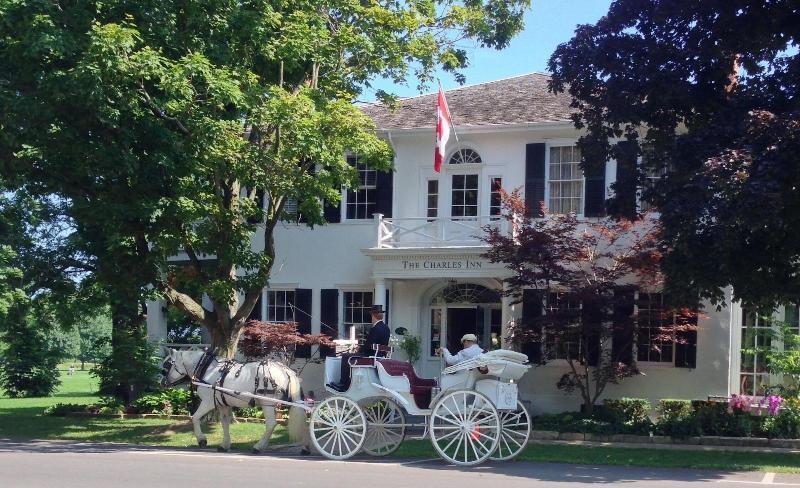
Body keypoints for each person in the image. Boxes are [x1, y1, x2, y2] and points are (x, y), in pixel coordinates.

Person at [329, 305, 390, 391]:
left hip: (371, 356)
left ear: (373, 316)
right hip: (380, 356)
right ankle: (347, 381)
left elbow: (368, 346)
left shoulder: (375, 328)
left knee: (346, 356)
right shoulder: (386, 328)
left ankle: (343, 383)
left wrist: (359, 349)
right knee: (349, 355)